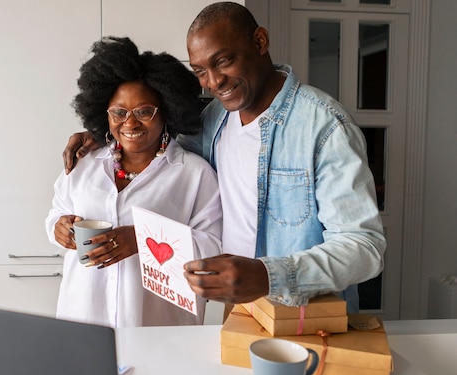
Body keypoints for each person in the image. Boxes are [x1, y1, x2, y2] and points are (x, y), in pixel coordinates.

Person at [61, 2, 386, 315]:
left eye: (224, 61)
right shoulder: (212, 121)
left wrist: (268, 276)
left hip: (304, 314)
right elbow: (150, 135)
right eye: (200, 70)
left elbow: (364, 246)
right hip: (240, 311)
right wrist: (101, 134)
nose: (214, 81)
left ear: (260, 42)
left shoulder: (324, 127)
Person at [45, 36, 222, 328]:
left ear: (166, 110)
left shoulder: (193, 174)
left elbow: (214, 248)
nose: (130, 123)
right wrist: (58, 228)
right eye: (119, 112)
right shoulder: (84, 164)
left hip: (159, 324)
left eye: (144, 111)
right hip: (84, 317)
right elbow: (55, 212)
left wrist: (143, 239)